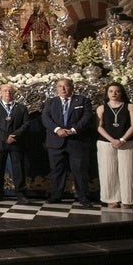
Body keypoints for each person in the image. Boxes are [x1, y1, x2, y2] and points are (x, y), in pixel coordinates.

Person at [41, 78, 94, 206]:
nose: (63, 89)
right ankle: (56, 195)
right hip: (56, 142)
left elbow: (87, 117)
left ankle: (82, 197)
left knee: (80, 170)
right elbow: (45, 118)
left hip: (77, 141)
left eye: (66, 86)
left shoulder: (82, 101)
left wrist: (73, 130)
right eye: (60, 86)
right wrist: (57, 129)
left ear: (72, 87)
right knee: (57, 170)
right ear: (56, 89)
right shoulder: (50, 102)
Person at [96, 82, 133, 209]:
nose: (114, 94)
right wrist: (112, 140)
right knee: (107, 171)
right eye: (111, 91)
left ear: (122, 93)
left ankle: (127, 200)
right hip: (106, 142)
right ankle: (111, 199)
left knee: (128, 171)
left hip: (128, 142)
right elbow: (98, 127)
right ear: (107, 93)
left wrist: (122, 139)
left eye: (117, 91)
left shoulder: (130, 106)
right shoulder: (101, 108)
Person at [0, 84, 30, 204]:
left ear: (14, 93)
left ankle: (21, 194)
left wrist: (14, 135)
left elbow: (26, 124)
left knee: (18, 169)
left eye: (10, 91)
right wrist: (5, 137)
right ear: (0, 93)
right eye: (5, 91)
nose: (8, 93)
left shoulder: (21, 108)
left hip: (16, 142)